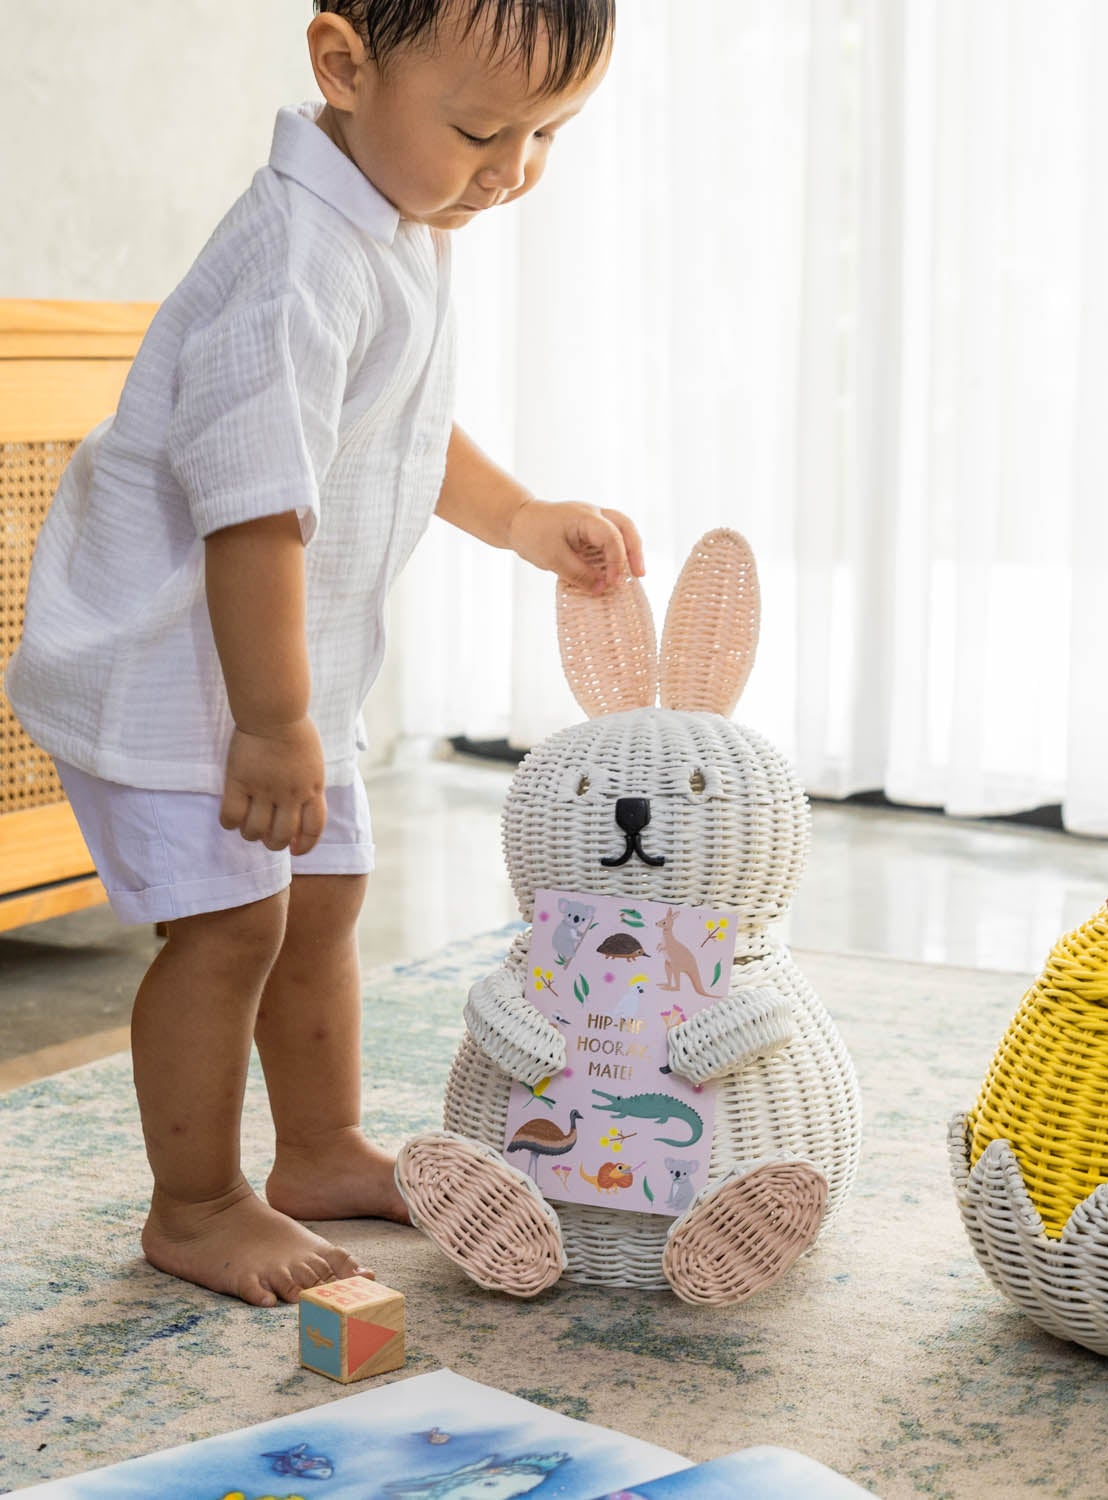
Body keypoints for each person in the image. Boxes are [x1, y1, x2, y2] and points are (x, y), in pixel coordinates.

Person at [5, 0, 636, 1309]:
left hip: (284, 671)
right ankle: (196, 1203)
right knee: (232, 924)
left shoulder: (399, 219)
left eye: (546, 136)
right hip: (183, 676)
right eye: (481, 129)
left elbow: (402, 418)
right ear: (345, 65)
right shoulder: (295, 256)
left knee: (326, 900)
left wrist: (517, 517)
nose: (511, 170)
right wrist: (275, 725)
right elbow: (249, 505)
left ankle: (317, 1148)